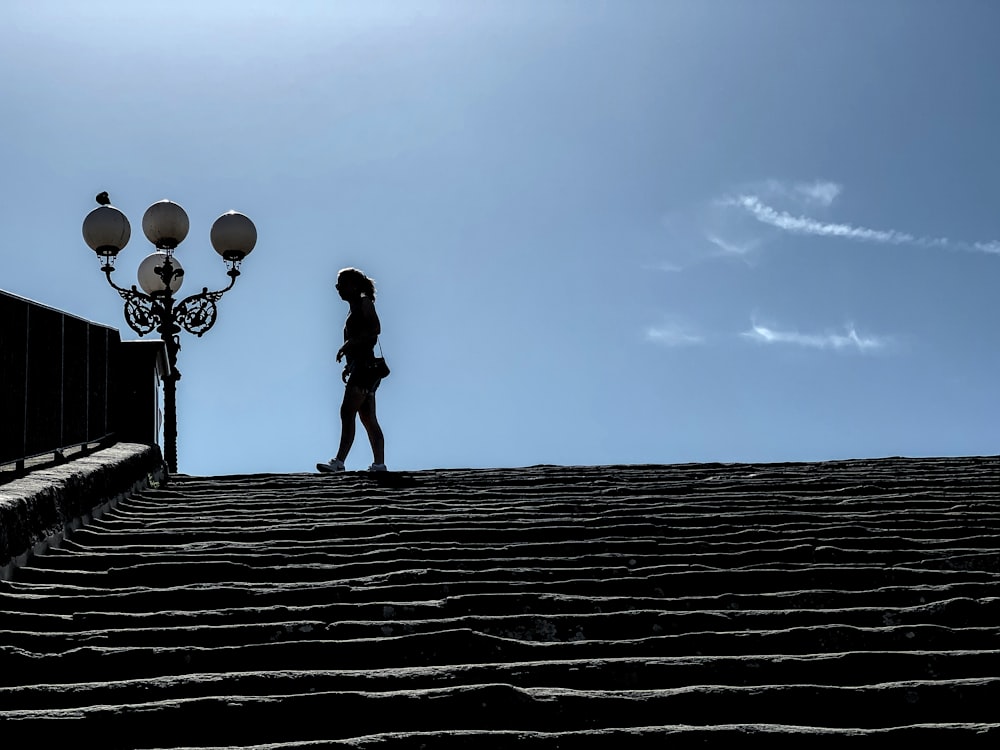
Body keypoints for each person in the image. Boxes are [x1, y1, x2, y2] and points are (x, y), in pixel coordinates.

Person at [317, 267, 387, 473]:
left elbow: (375, 330)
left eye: (342, 284)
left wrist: (348, 344)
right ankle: (379, 465)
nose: (338, 288)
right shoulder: (355, 306)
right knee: (367, 418)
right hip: (362, 367)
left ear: (354, 285)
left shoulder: (364, 303)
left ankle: (339, 462)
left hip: (365, 368)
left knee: (347, 412)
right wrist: (349, 364)